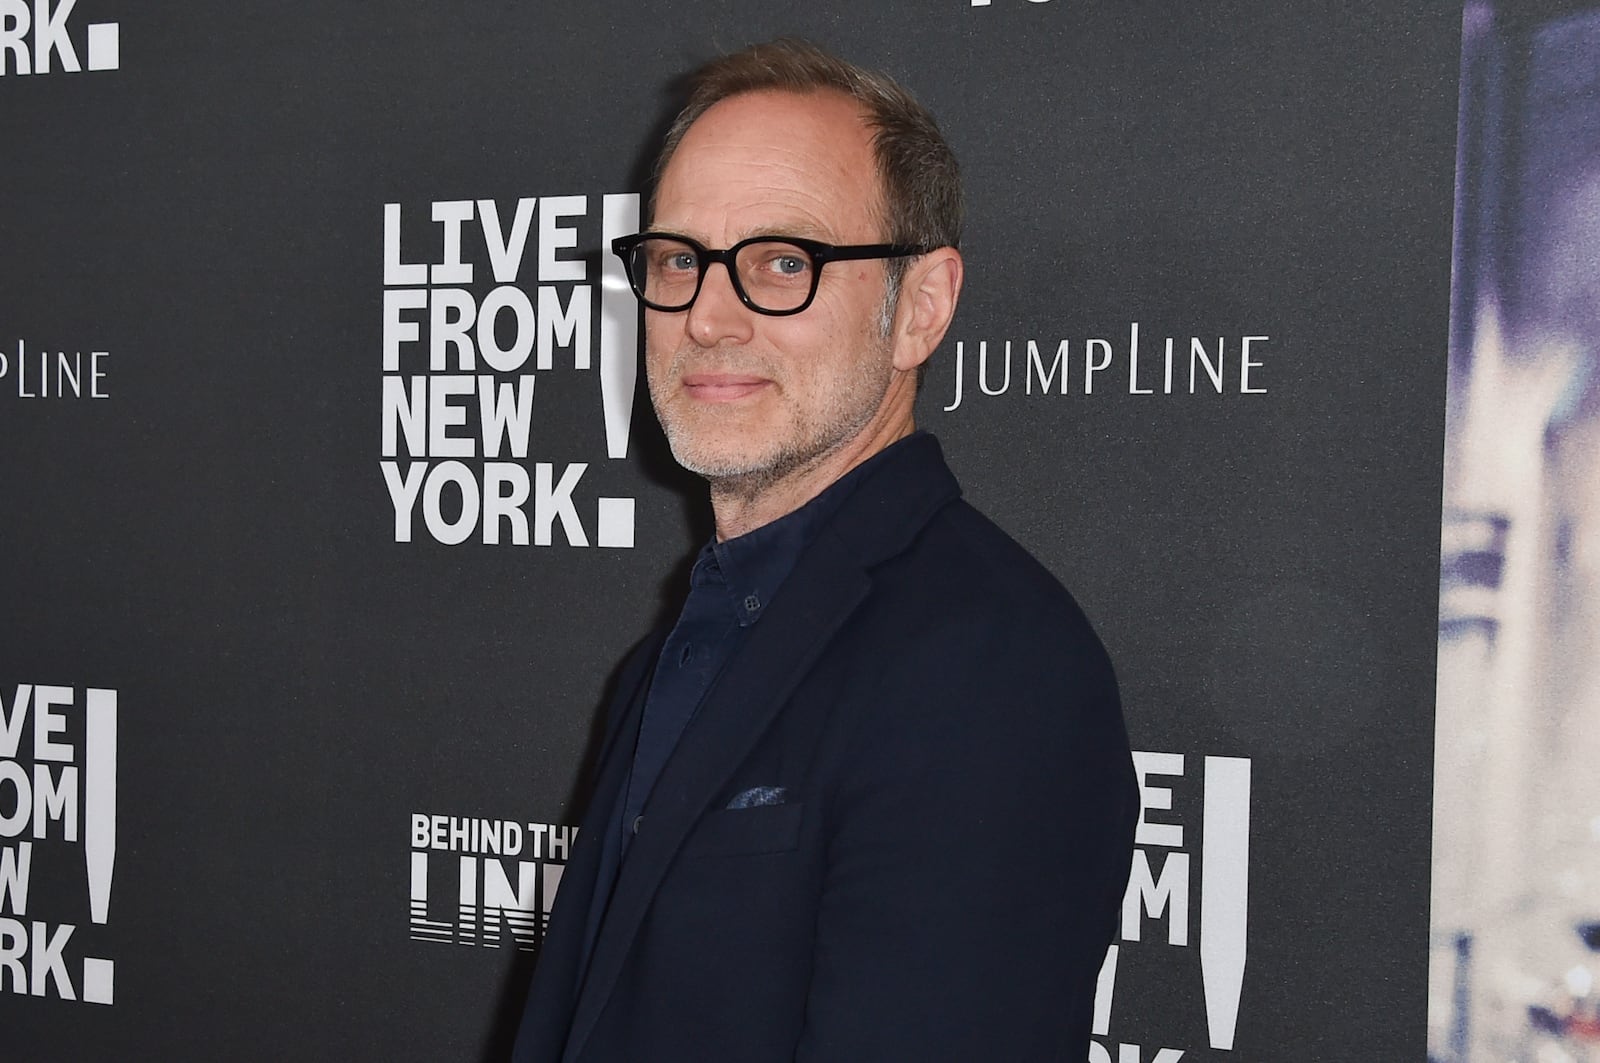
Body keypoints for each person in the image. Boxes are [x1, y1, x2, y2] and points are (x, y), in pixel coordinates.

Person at [511, 38, 1137, 1063]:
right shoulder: (668, 655)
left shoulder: (989, 668)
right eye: (678, 260)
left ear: (920, 308)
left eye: (782, 263)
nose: (708, 317)